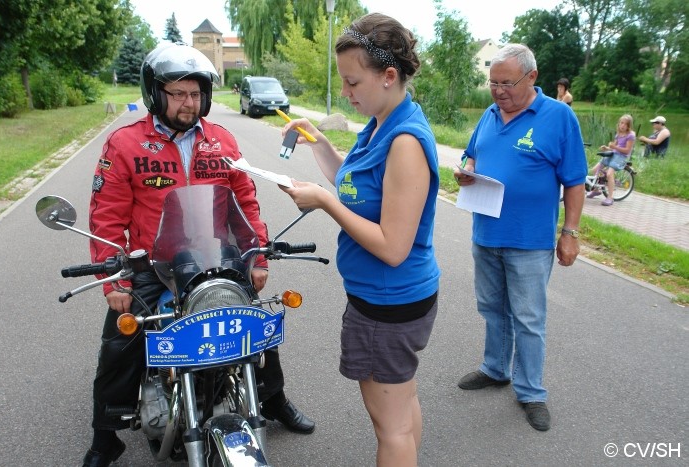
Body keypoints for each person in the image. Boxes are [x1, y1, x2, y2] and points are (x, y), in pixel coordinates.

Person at [83, 43, 314, 467]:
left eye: (194, 93)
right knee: (123, 339)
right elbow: (107, 214)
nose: (188, 103)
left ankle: (272, 399)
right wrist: (114, 277)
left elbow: (245, 200)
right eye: (177, 93)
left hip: (213, 257)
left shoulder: (221, 140)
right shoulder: (126, 143)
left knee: (253, 324)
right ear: (156, 93)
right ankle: (106, 434)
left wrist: (257, 255)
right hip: (149, 262)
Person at [278, 13, 440, 467]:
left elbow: (392, 246)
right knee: (402, 410)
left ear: (389, 76)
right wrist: (318, 144)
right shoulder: (383, 119)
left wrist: (326, 204)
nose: (345, 93)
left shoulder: (405, 140)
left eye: (352, 82)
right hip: (390, 298)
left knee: (390, 428)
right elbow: (357, 187)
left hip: (388, 304)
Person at [453, 44, 587, 432]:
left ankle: (531, 392)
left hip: (530, 241)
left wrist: (570, 233)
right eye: (492, 82)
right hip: (486, 233)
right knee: (492, 308)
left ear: (532, 77)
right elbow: (471, 156)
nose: (497, 91)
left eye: (506, 83)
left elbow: (575, 182)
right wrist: (467, 169)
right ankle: (495, 369)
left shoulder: (559, 117)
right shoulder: (490, 115)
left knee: (528, 318)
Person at [587, 114, 635, 206]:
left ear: (629, 126)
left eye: (625, 124)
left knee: (609, 174)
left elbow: (627, 150)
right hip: (614, 154)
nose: (623, 125)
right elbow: (614, 148)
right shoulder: (618, 134)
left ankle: (610, 197)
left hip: (621, 157)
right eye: (621, 123)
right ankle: (596, 190)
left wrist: (614, 147)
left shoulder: (630, 136)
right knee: (595, 170)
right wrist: (607, 148)